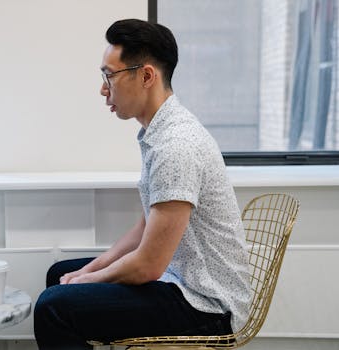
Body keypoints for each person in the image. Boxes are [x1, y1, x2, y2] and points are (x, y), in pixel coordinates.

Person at [34, 19, 252, 349]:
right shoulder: (159, 133)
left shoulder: (176, 145)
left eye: (110, 75)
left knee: (53, 307)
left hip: (205, 304)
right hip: (177, 280)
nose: (103, 89)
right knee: (59, 274)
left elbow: (148, 265)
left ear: (146, 76)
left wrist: (87, 279)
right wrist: (88, 271)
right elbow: (146, 227)